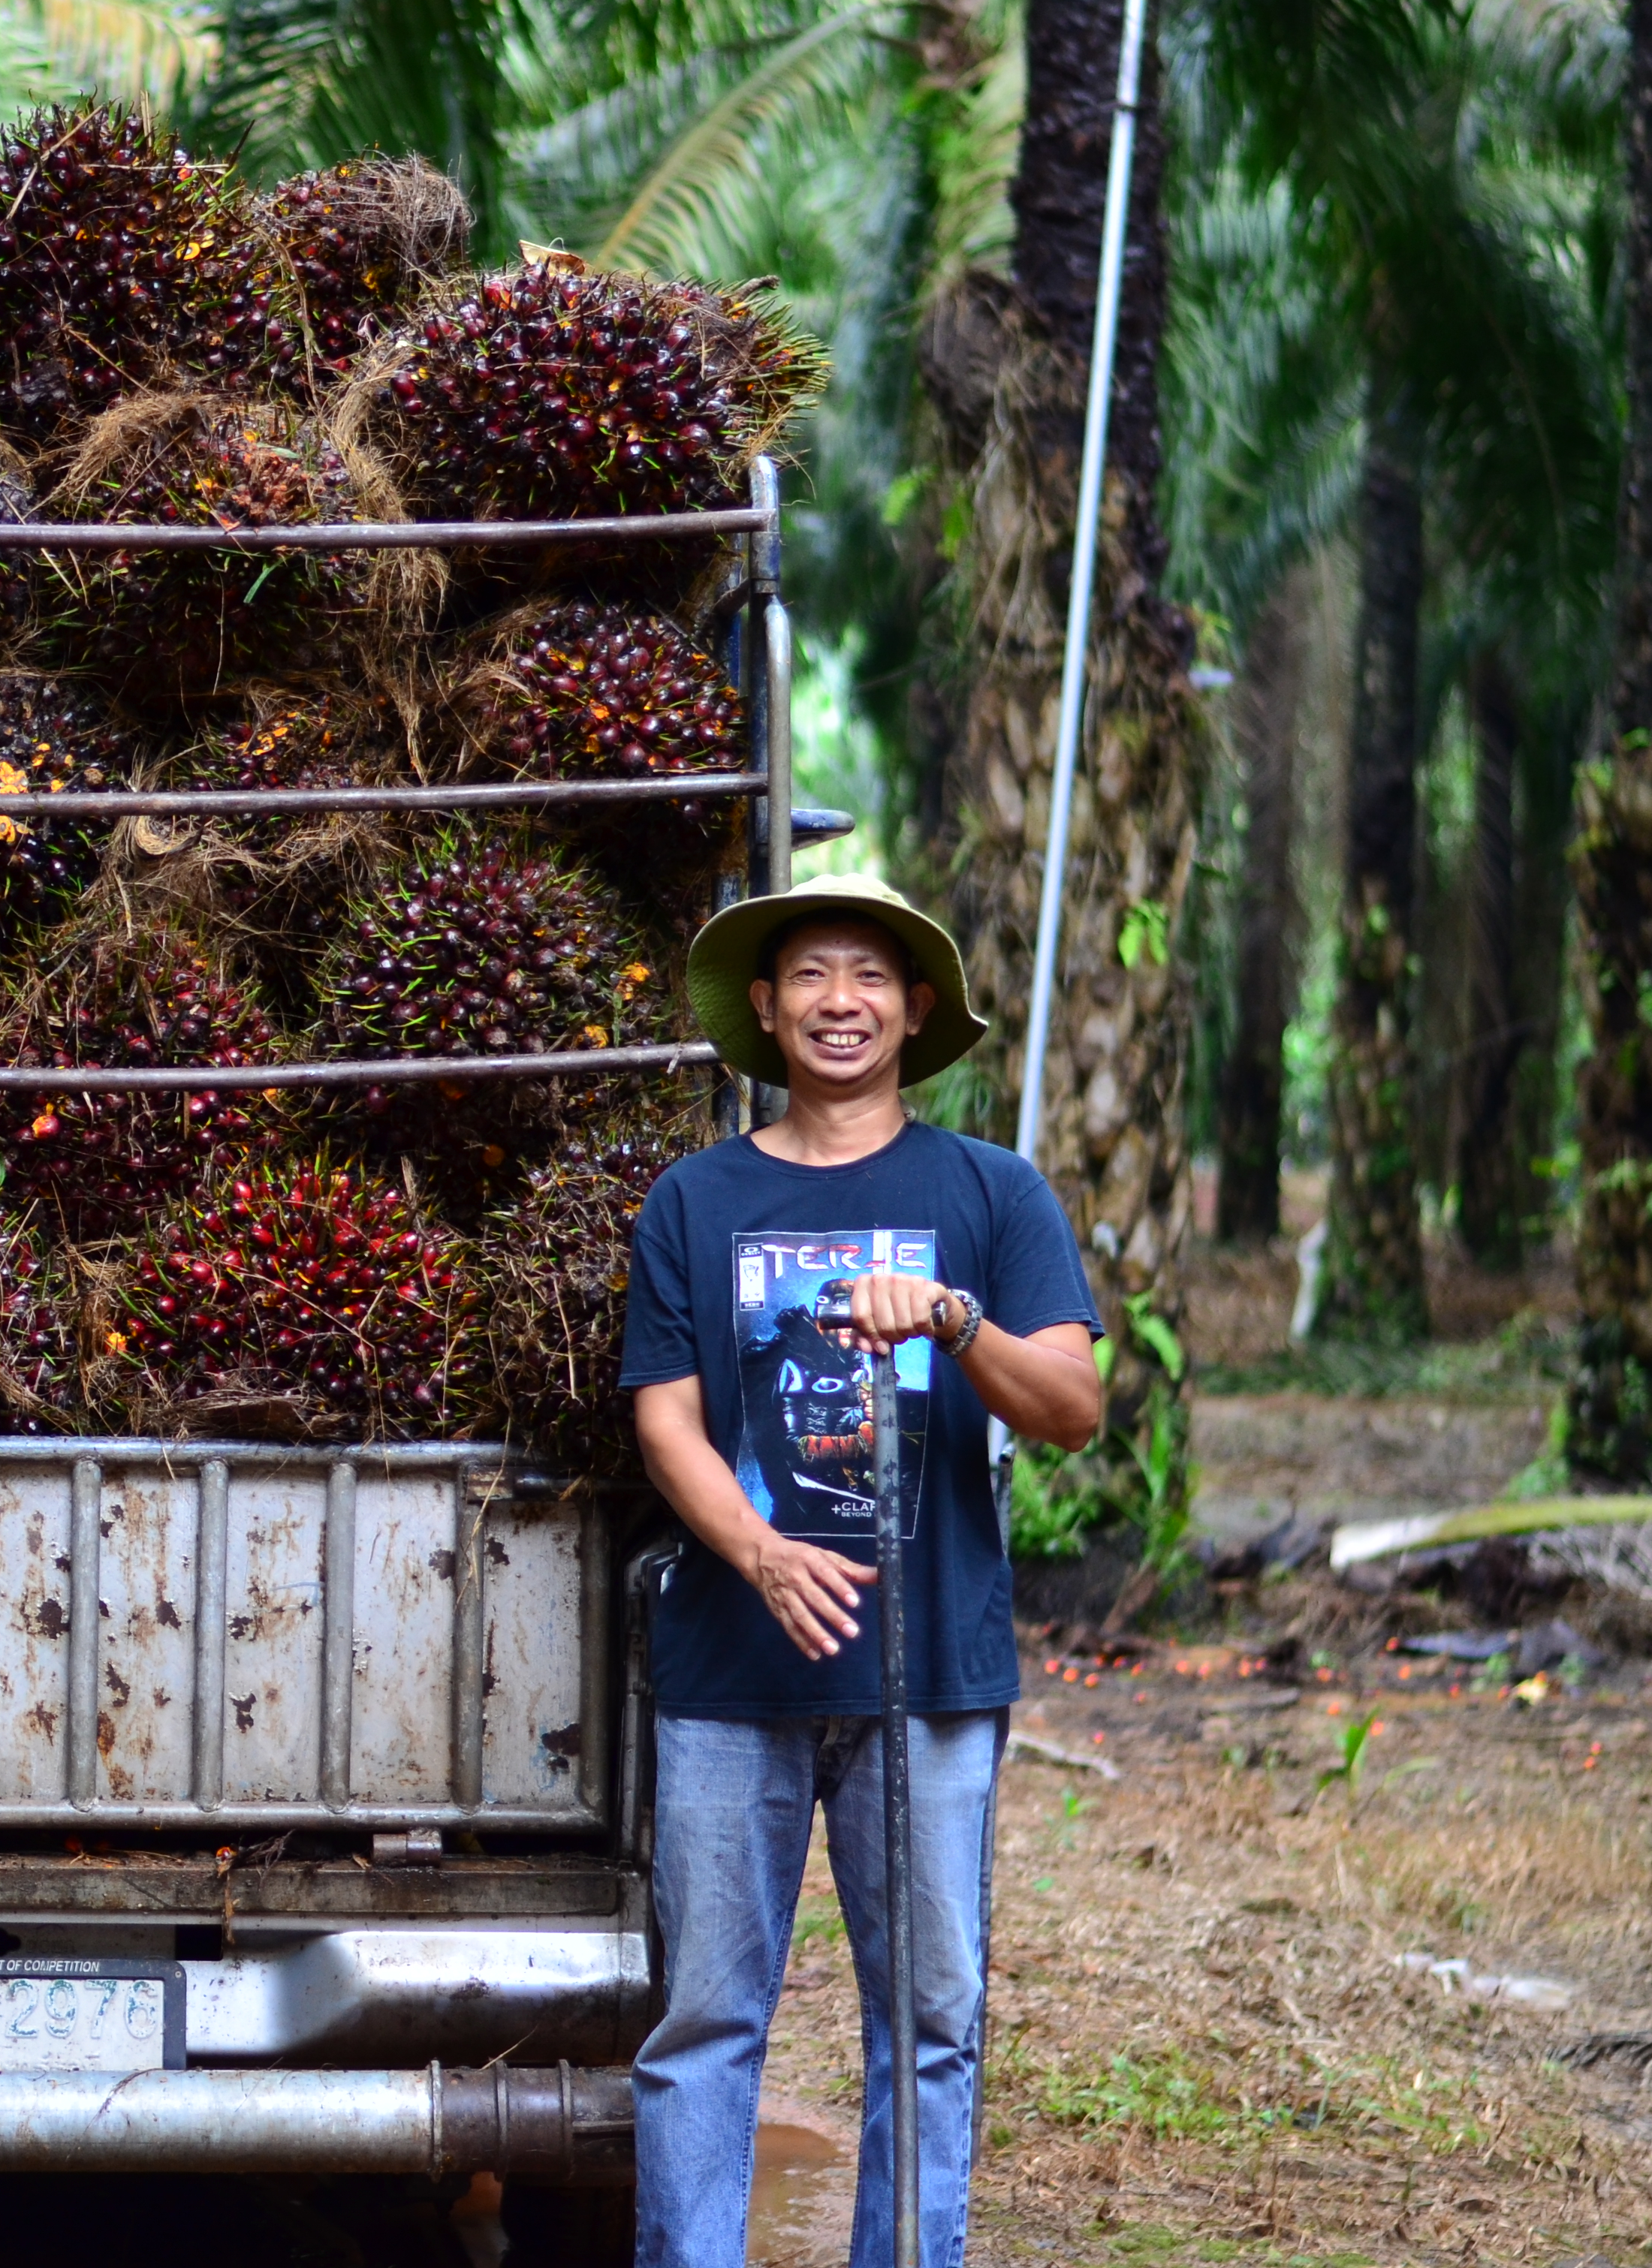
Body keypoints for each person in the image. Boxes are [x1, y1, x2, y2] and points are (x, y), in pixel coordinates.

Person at [619, 873, 1106, 2268]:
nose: (843, 1001)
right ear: (765, 1010)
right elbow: (667, 1420)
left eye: (872, 977)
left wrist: (953, 1320)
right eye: (812, 977)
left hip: (930, 1678)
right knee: (707, 2026)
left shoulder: (989, 1193)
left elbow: (1071, 1408)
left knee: (929, 2030)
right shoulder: (696, 1201)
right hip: (729, 1682)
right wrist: (760, 1551)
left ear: (918, 1011)